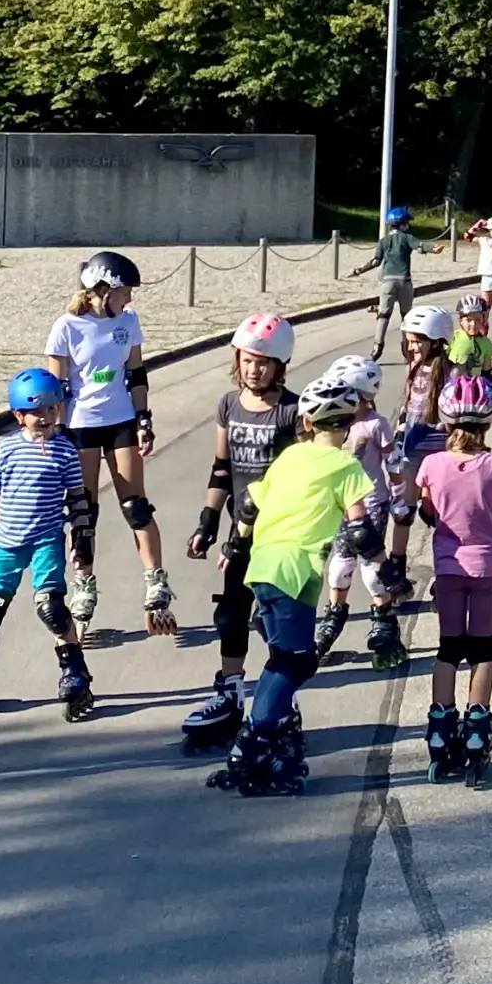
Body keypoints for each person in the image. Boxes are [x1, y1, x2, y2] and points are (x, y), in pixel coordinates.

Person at [205, 385, 374, 796]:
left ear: (305, 424)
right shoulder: (346, 466)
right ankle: (250, 743)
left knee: (285, 659)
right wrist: (386, 569)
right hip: (294, 572)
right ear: (350, 425)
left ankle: (264, 736)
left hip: (262, 566)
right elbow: (360, 529)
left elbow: (248, 505)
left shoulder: (289, 457)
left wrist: (234, 547)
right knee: (296, 663)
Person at [179, 313, 313, 751]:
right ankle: (232, 691)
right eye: (247, 360)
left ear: (280, 365)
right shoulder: (228, 405)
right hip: (238, 528)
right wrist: (206, 521)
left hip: (278, 535)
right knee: (231, 615)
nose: (253, 369)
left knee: (273, 620)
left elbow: (299, 478)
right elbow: (222, 469)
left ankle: (281, 703)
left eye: (263, 362)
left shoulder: (293, 411)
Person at [45, 250, 175, 638]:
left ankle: (155, 580)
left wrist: (144, 419)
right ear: (101, 289)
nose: (130, 299)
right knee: (84, 512)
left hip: (119, 421)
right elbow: (57, 389)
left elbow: (136, 373)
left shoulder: (128, 322)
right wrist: (56, 434)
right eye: (125, 292)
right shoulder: (66, 327)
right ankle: (84, 585)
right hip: (80, 426)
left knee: (135, 505)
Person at [0, 368, 93, 722]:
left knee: (52, 608)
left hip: (46, 537)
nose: (45, 417)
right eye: (36, 411)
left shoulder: (65, 451)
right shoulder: (8, 449)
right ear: (18, 415)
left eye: (51, 409)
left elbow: (78, 499)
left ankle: (75, 673)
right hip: (8, 542)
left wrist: (83, 539)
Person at [416, 370, 492, 785]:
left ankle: (441, 729)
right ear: (487, 421)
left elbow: (426, 511)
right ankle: (477, 731)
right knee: (481, 649)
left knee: (448, 649)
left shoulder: (432, 464)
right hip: (487, 566)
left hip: (448, 567)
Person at [312, 354, 403, 669]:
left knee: (372, 569)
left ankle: (384, 622)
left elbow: (394, 463)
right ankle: (334, 615)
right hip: (338, 505)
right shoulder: (335, 423)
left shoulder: (375, 424)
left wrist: (400, 497)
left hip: (372, 504)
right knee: (338, 567)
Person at [378, 303, 455, 612]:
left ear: (436, 341)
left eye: (418, 341)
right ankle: (397, 570)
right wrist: (397, 434)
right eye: (409, 341)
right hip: (411, 448)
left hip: (440, 451)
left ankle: (447, 575)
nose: (412, 347)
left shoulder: (451, 371)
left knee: (439, 514)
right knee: (403, 509)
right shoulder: (413, 369)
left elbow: (456, 414)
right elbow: (409, 406)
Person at [351, 206, 420, 362]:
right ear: (403, 224)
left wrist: (360, 270)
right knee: (406, 316)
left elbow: (376, 261)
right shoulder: (407, 238)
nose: (408, 225)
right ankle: (407, 348)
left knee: (383, 315)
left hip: (387, 282)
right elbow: (421, 246)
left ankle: (377, 347)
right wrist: (433, 249)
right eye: (407, 223)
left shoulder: (383, 241)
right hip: (404, 281)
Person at [450, 293, 492, 377]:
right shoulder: (451, 337)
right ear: (460, 321)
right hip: (453, 386)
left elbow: (486, 369)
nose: (473, 324)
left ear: (484, 320)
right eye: (468, 320)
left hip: (474, 386)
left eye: (478, 320)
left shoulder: (486, 342)